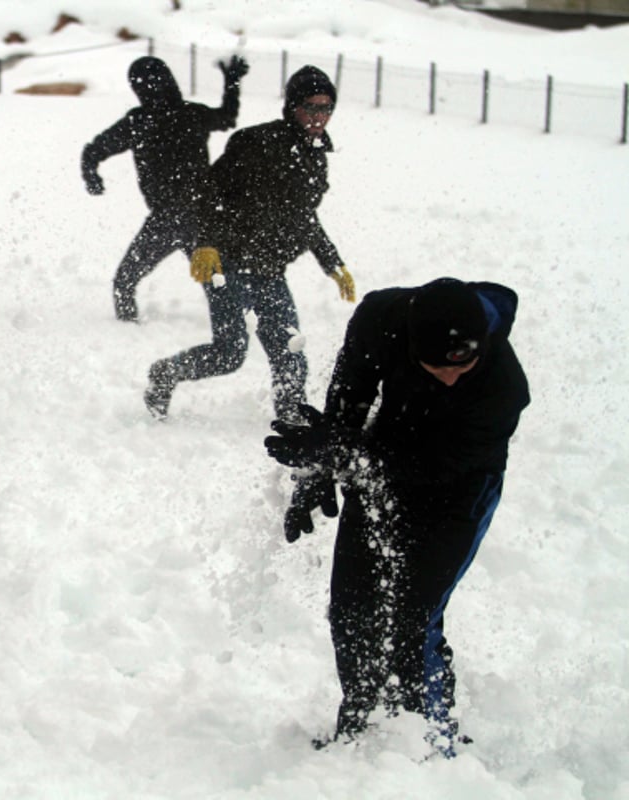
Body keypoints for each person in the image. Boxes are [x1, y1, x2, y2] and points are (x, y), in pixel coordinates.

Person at [264, 277, 530, 757]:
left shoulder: (504, 389)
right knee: (351, 610)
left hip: (459, 490)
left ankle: (432, 747)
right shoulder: (380, 319)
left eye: (463, 366)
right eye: (435, 367)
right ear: (411, 346)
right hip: (382, 454)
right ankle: (361, 736)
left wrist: (350, 455)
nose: (451, 377)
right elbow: (349, 398)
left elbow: (429, 468)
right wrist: (322, 468)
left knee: (413, 617)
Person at [143, 65, 355, 422]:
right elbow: (209, 193)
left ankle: (291, 418)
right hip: (224, 261)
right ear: (292, 106)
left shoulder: (315, 156)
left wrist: (333, 264)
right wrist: (206, 244)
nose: (319, 117)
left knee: (289, 350)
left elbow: (304, 217)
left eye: (326, 108)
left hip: (270, 268)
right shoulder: (255, 142)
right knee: (229, 353)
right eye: (311, 107)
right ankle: (166, 373)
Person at [81, 54, 249, 323]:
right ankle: (235, 326)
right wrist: (232, 81)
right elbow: (227, 117)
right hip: (188, 217)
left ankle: (128, 331)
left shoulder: (144, 121)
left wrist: (91, 174)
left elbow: (93, 151)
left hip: (185, 218)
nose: (152, 88)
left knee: (126, 281)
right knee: (217, 282)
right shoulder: (184, 115)